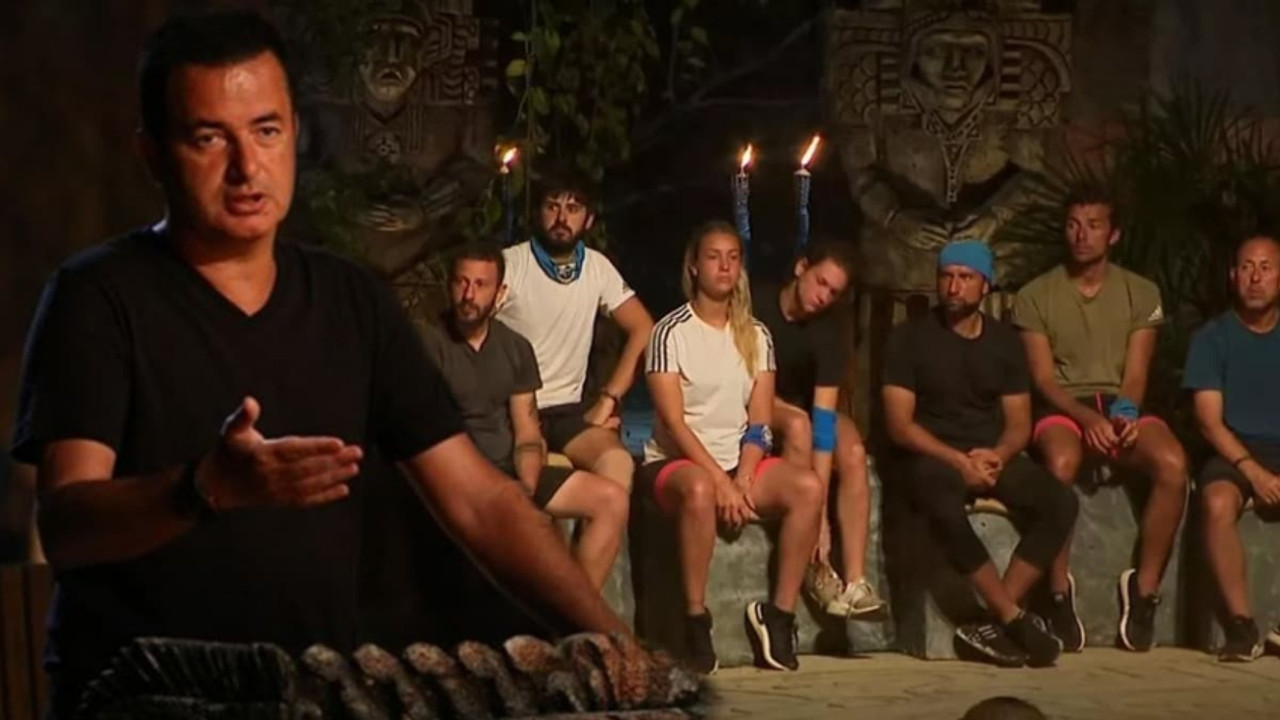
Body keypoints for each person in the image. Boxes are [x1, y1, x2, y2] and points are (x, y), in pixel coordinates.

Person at [9, 11, 625, 717]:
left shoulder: (350, 301)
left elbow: (481, 502)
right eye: (209, 138)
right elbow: (68, 524)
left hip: (309, 697)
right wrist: (202, 489)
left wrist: (620, 652)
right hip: (140, 697)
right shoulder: (96, 296)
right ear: (152, 154)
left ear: (296, 134)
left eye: (266, 131)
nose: (247, 168)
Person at [639, 221, 823, 674]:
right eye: (713, 257)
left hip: (736, 463)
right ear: (694, 267)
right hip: (677, 462)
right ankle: (694, 620)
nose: (724, 266)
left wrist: (741, 476)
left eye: (732, 258)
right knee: (701, 490)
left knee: (808, 487)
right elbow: (674, 424)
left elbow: (759, 422)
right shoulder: (670, 332)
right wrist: (720, 482)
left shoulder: (756, 335)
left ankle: (778, 617)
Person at [1012, 184, 1188, 653]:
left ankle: (1144, 591)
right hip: (1064, 405)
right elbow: (1043, 380)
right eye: (1073, 225)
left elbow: (1137, 372)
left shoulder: (1141, 292)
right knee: (1061, 463)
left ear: (1113, 234)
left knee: (1172, 464)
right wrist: (1087, 419)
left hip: (1118, 403)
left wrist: (1124, 416)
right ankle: (1056, 593)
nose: (1081, 235)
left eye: (1093, 225)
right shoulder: (1035, 295)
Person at [883, 240, 1075, 668]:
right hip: (931, 455)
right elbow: (900, 425)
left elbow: (1020, 423)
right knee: (941, 503)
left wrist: (998, 455)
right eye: (947, 276)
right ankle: (1011, 617)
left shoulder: (1004, 342)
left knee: (1060, 502)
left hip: (988, 453)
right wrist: (957, 462)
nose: (953, 287)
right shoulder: (909, 338)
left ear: (985, 286)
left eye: (965, 278)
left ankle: (990, 621)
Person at [420, 242, 628, 589]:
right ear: (449, 286)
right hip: (459, 477)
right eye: (461, 283)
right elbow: (425, 432)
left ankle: (575, 610)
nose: (469, 295)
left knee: (611, 500)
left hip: (510, 471)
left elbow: (528, 433)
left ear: (500, 293)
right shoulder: (428, 343)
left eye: (480, 285)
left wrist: (527, 491)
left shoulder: (515, 347)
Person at [495, 172, 654, 490]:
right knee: (533, 475)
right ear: (538, 212)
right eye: (552, 206)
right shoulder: (510, 264)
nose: (562, 218)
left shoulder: (597, 267)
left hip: (568, 411)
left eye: (573, 208)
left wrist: (608, 398)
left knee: (618, 463)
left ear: (589, 219)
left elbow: (643, 328)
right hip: (512, 409)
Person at [750, 239, 883, 617]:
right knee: (798, 425)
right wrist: (817, 518)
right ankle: (815, 566)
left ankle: (856, 581)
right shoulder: (759, 305)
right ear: (801, 268)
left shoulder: (829, 329)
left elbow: (824, 419)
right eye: (821, 282)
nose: (823, 296)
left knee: (851, 449)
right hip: (759, 400)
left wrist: (822, 514)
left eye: (834, 292)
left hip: (807, 409)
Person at [1184, 233, 1280, 662]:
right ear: (1232, 276)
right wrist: (1254, 473)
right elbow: (1209, 422)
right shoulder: (1212, 337)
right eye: (1246, 267)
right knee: (1217, 502)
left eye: (1266, 268)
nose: (1255, 278)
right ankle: (1242, 628)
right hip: (1233, 449)